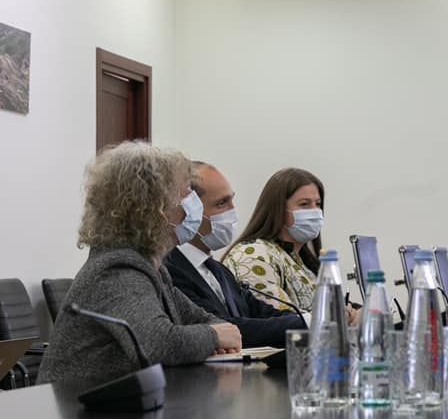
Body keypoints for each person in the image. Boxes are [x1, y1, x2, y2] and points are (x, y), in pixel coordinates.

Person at [38, 142, 242, 387]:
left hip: (120, 401)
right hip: (81, 406)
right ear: (152, 205)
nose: (194, 202)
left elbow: (203, 319)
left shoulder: (152, 267)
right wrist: (214, 337)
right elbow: (159, 345)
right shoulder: (117, 270)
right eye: (186, 193)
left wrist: (217, 333)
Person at [164, 162, 308, 348]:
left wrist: (315, 319)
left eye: (231, 201)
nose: (233, 211)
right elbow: (224, 328)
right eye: (221, 203)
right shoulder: (169, 270)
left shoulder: (218, 270)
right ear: (190, 211)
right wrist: (311, 322)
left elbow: (263, 313)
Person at [222, 168, 359, 324]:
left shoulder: (300, 259)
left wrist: (357, 312)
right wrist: (340, 317)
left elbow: (334, 308)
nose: (315, 211)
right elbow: (280, 319)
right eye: (304, 204)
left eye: (318, 204)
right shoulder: (253, 254)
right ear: (278, 209)